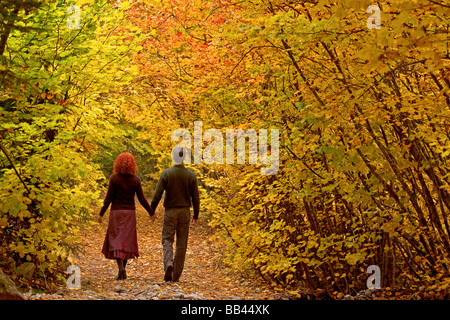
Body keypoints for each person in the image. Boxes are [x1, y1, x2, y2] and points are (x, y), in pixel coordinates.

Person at [98, 152, 155, 280]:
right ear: (132, 165)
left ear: (118, 163)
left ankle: (120, 268)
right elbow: (142, 199)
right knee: (126, 240)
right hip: (130, 213)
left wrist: (101, 213)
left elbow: (108, 198)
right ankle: (124, 267)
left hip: (116, 213)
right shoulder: (136, 180)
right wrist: (151, 212)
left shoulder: (114, 178)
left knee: (116, 239)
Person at [150, 147, 200, 282]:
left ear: (173, 157)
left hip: (170, 211)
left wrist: (152, 210)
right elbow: (195, 197)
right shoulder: (191, 175)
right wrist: (196, 214)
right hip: (184, 211)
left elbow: (157, 194)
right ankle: (176, 275)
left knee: (167, 239)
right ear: (184, 158)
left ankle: (168, 264)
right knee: (181, 243)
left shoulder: (166, 174)